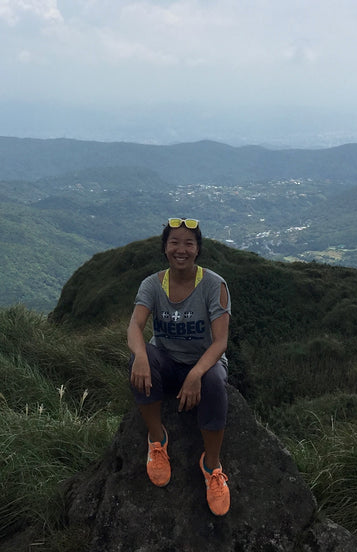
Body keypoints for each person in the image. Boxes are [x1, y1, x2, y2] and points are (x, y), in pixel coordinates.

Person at [127, 217, 232, 516]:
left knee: (214, 383)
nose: (181, 249)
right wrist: (141, 355)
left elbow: (220, 341)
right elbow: (135, 325)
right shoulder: (153, 284)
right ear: (165, 248)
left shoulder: (214, 285)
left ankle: (212, 466)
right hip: (167, 360)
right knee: (138, 360)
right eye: (174, 242)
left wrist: (197, 373)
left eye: (189, 243)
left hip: (204, 362)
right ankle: (157, 440)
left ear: (198, 249)